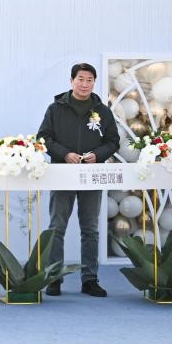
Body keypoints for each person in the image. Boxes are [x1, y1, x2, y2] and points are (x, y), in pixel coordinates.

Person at [38, 62, 119, 297]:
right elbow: (43, 138)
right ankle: (54, 277)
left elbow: (113, 141)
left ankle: (90, 279)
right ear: (71, 81)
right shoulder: (56, 108)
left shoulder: (103, 111)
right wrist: (64, 154)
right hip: (63, 174)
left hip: (91, 176)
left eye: (89, 80)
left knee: (90, 229)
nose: (84, 84)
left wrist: (98, 155)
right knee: (57, 227)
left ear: (94, 83)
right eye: (80, 79)